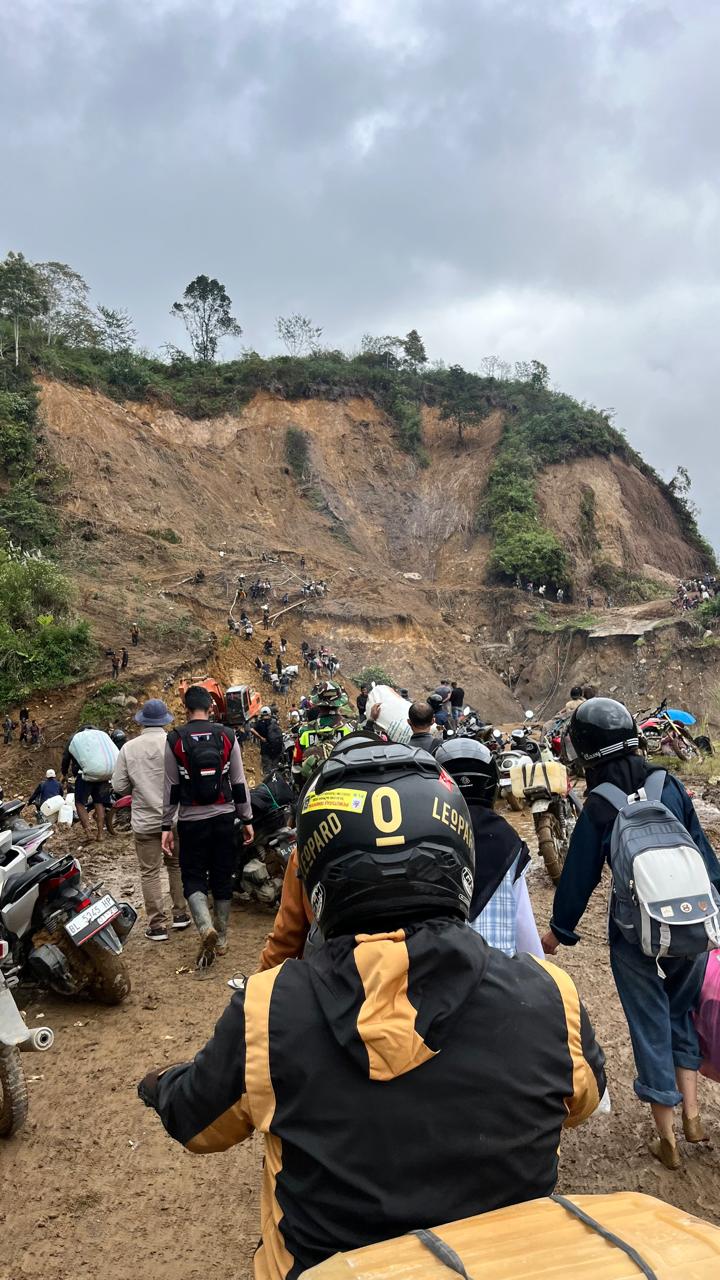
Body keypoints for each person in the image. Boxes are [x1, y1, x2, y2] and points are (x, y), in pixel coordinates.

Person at [139, 742, 605, 1280]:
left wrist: (159, 1085)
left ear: (319, 876)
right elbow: (580, 1104)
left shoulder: (268, 1007)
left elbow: (197, 1126)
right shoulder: (550, 993)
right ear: (459, 858)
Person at [541, 697, 720, 1171]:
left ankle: (667, 1138)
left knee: (649, 1021)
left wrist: (559, 932)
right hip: (692, 922)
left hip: (633, 932)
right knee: (680, 1009)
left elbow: (580, 874)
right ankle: (694, 1117)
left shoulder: (600, 803)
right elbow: (700, 851)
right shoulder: (669, 783)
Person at [162, 686, 254, 971]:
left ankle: (204, 928)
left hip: (191, 821)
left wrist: (167, 825)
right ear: (211, 709)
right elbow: (239, 782)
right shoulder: (227, 736)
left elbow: (171, 787)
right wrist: (247, 819)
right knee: (222, 874)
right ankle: (222, 936)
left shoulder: (175, 738)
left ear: (186, 710)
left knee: (192, 874)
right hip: (224, 817)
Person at [435, 739, 541, 956]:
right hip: (500, 976)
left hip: (441, 975)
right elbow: (525, 928)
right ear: (491, 786)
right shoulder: (507, 840)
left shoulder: (426, 835)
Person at [112, 700, 190, 942]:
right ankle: (181, 914)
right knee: (176, 865)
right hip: (175, 818)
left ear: (142, 721)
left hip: (145, 822)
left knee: (149, 873)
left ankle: (157, 926)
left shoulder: (129, 748)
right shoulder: (174, 743)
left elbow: (119, 786)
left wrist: (139, 785)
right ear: (165, 720)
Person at [61, 725, 118, 841]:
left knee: (80, 803)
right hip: (103, 775)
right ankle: (100, 834)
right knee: (99, 802)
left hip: (85, 776)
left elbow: (66, 757)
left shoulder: (76, 738)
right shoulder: (101, 737)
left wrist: (64, 773)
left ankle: (88, 833)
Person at [251, 707, 284, 775]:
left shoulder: (259, 723)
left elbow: (251, 729)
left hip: (266, 749)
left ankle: (268, 782)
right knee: (275, 768)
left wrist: (261, 738)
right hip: (277, 749)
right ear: (270, 713)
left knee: (267, 770)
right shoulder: (274, 721)